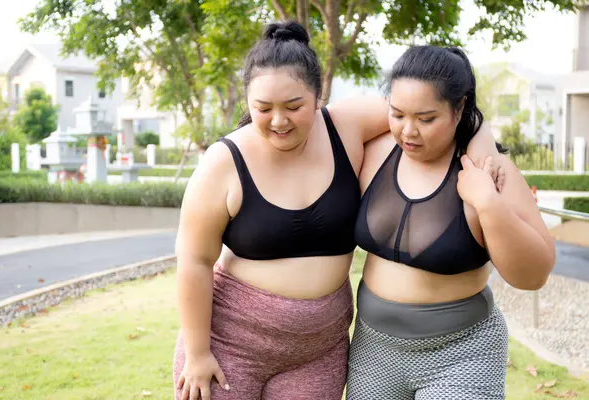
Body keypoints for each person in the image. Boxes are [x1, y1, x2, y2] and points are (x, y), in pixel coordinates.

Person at [173, 21, 503, 400]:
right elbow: (194, 260)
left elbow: (441, 109)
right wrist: (198, 354)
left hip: (317, 352)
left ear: (319, 96)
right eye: (263, 108)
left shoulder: (345, 125)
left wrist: (484, 151)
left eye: (293, 106)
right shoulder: (224, 161)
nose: (279, 121)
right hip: (230, 345)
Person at [346, 45, 555, 400]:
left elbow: (533, 275)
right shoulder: (375, 149)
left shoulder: (488, 168)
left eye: (426, 119)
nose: (408, 131)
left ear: (459, 108)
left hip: (462, 355)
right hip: (373, 351)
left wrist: (488, 203)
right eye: (397, 114)